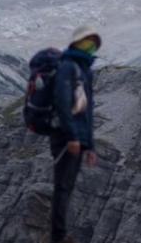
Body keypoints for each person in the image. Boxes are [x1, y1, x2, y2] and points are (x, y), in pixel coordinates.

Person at [50, 24, 101, 243]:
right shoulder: (68, 66)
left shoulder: (85, 71)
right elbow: (62, 103)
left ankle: (60, 233)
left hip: (77, 140)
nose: (90, 47)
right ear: (76, 43)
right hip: (66, 138)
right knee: (62, 186)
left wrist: (89, 145)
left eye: (93, 44)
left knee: (67, 187)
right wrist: (71, 136)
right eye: (86, 43)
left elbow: (86, 112)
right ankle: (58, 236)